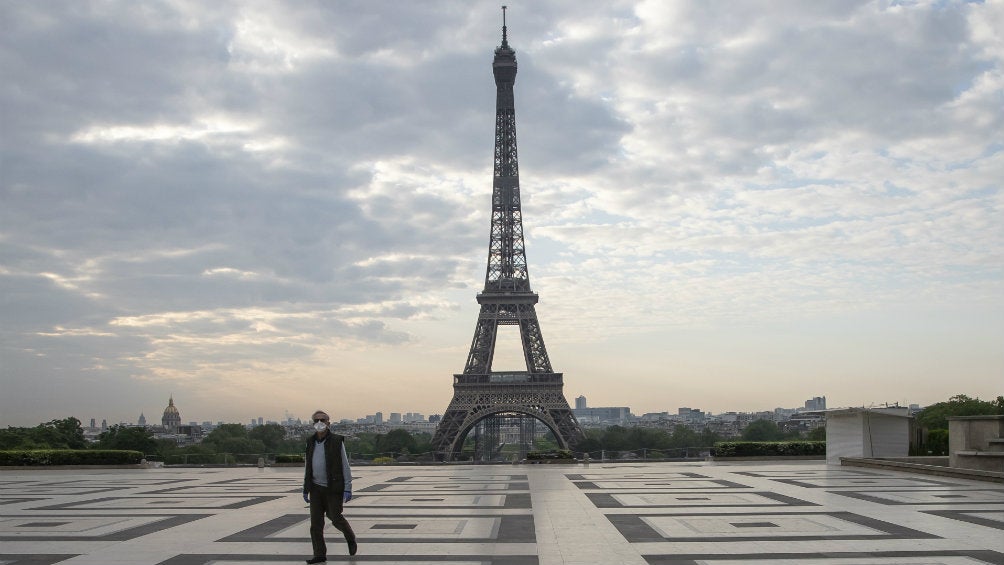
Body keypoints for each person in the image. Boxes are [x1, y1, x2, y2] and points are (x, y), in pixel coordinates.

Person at [303, 410, 356, 563]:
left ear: (328, 423)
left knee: (335, 517)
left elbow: (345, 465)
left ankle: (349, 536)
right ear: (313, 423)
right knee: (316, 524)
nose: (319, 422)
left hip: (333, 487)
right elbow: (308, 466)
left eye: (323, 420)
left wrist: (348, 486)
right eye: (316, 420)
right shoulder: (310, 441)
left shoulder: (336, 441)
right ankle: (319, 554)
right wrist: (306, 487)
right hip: (315, 488)